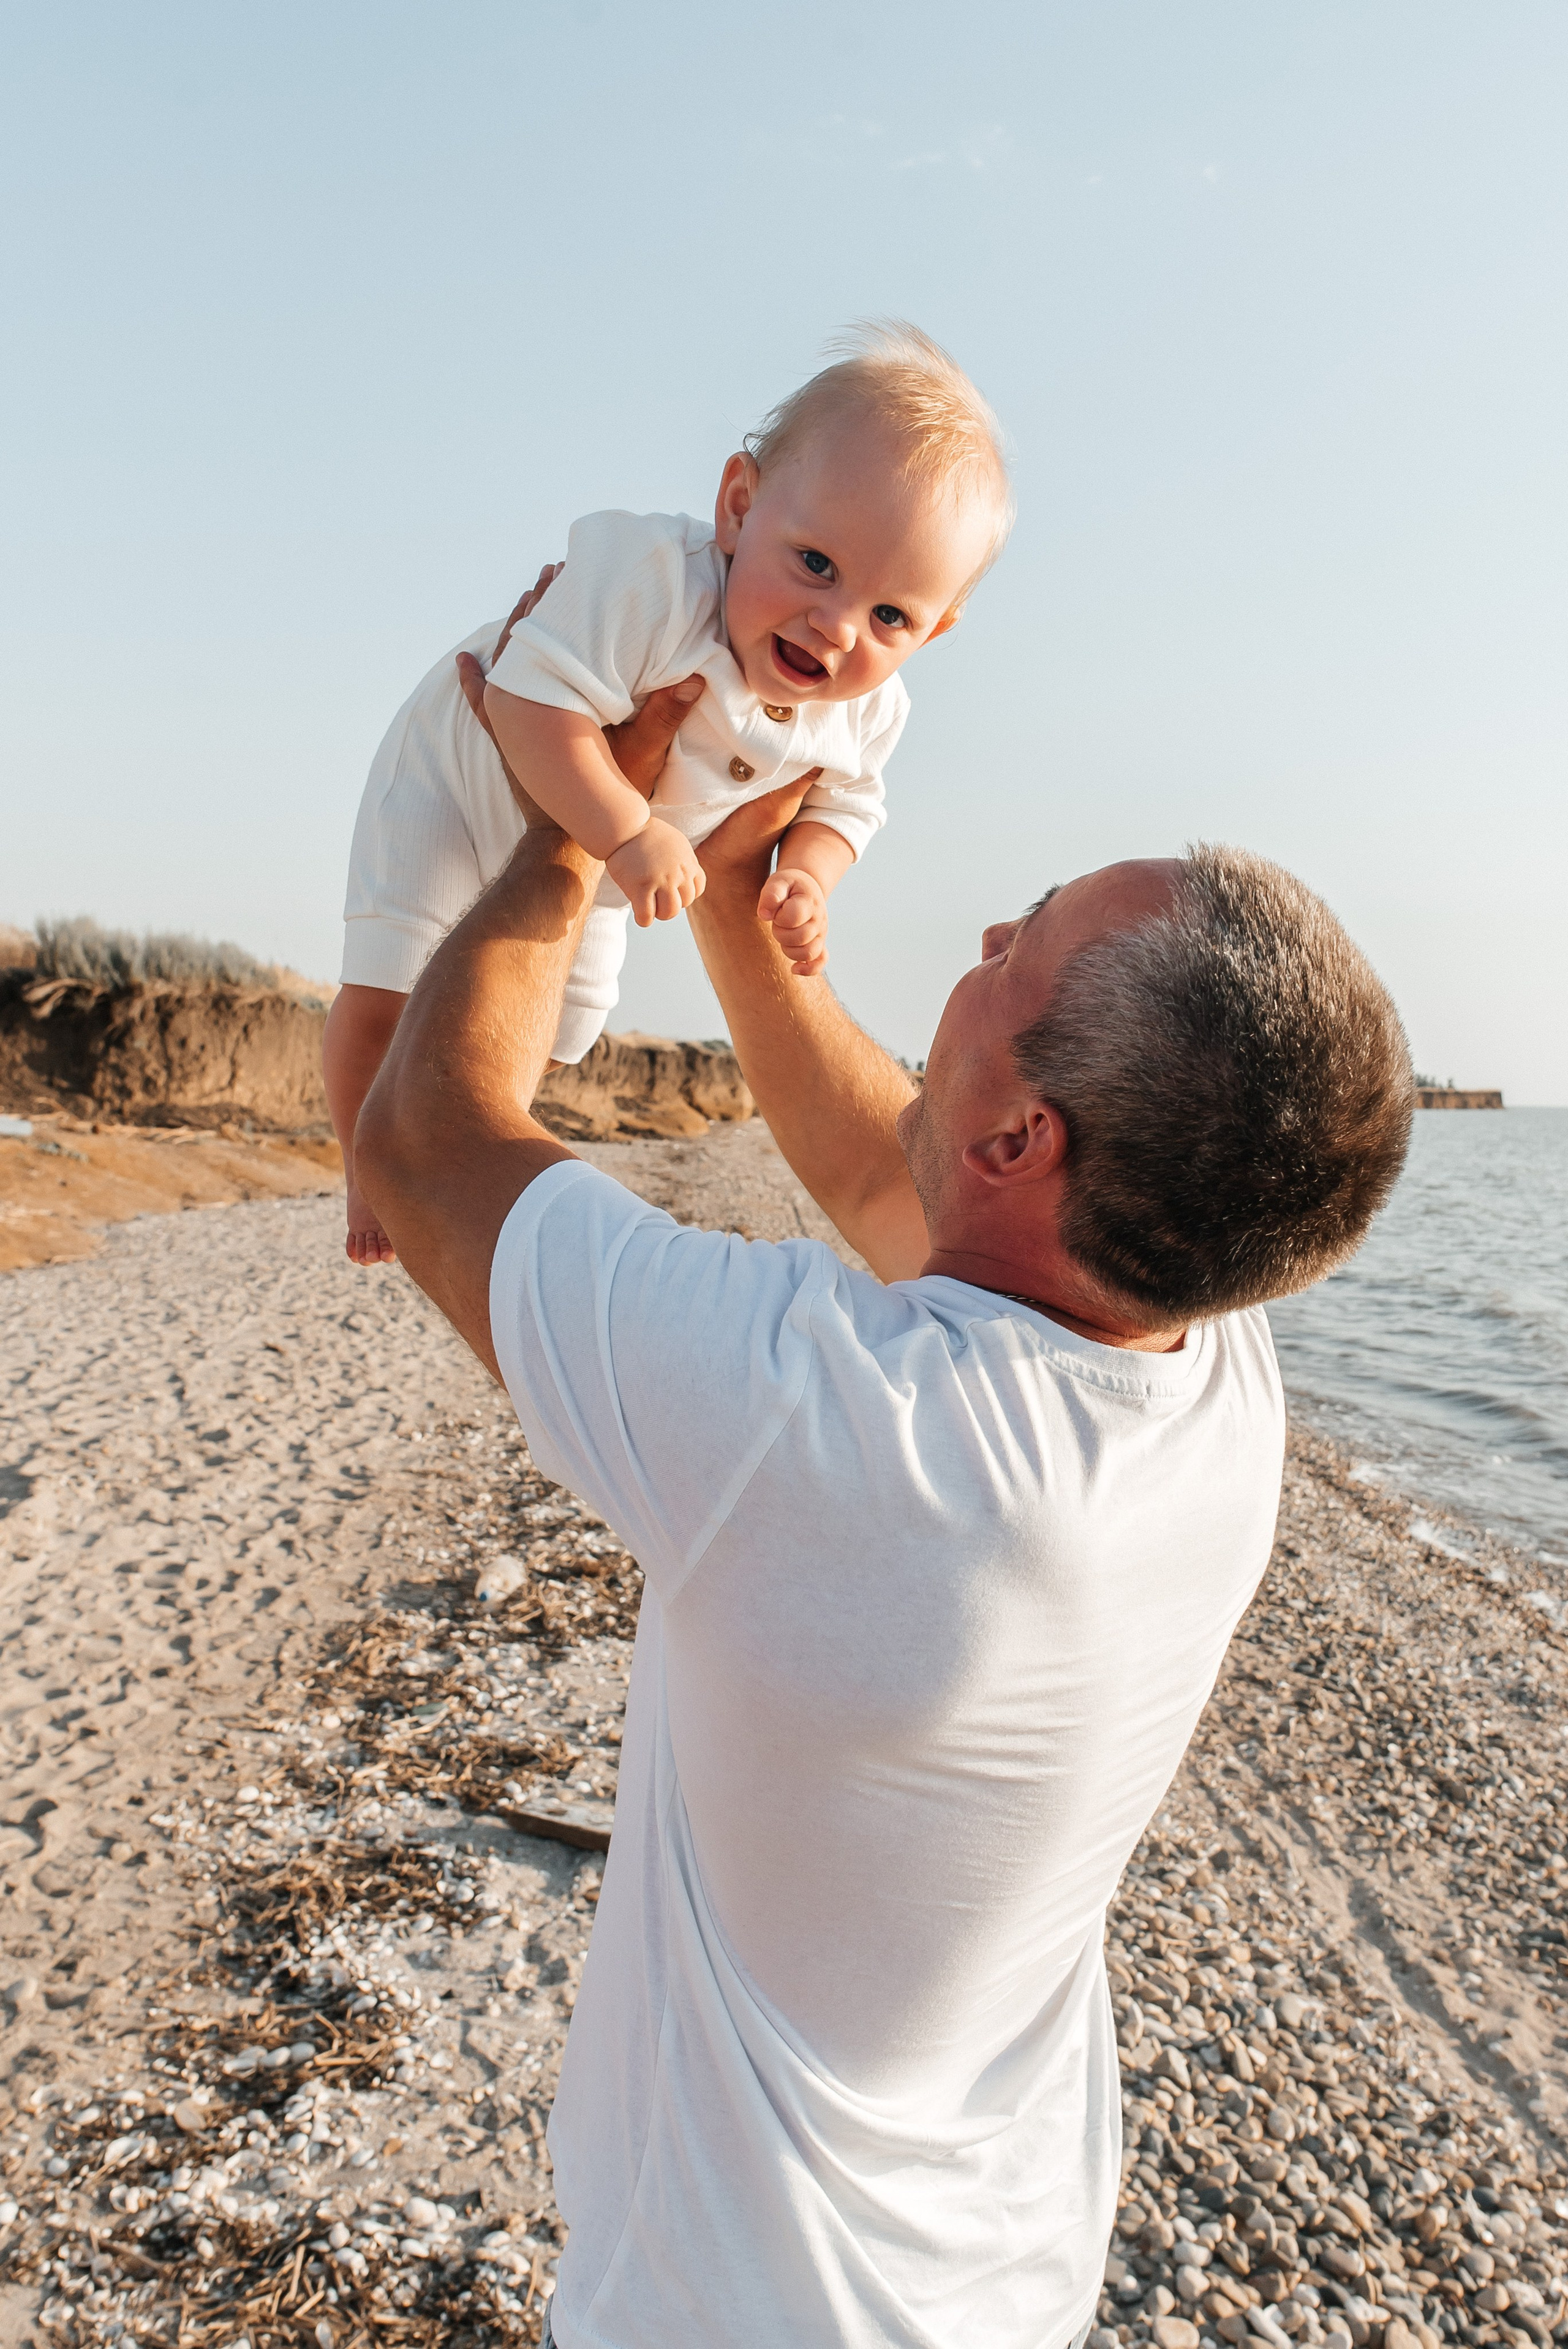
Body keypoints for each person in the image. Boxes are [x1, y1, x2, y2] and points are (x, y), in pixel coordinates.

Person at [353, 731, 1412, 2346]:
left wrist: (584, 823)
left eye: (1026, 938)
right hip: (997, 2276)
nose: (986, 940)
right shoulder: (1208, 1359)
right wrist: (719, 894)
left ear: (1022, 1144)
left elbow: (423, 1149)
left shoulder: (838, 1437)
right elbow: (882, 1162)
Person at [325, 322, 1012, 1266]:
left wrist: (808, 878)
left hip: (622, 849)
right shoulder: (651, 583)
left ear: (932, 634)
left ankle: (448, 1136)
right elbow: (522, 701)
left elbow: (845, 807)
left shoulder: (869, 712)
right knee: (385, 984)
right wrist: (625, 826)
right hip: (468, 770)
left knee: (556, 1033)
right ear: (739, 507)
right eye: (815, 564)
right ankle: (369, 1163)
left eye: (890, 615)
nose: (837, 624)